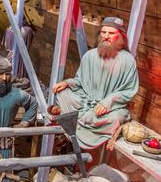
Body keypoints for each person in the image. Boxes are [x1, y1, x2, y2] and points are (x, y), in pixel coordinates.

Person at [50, 17, 139, 155]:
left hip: (107, 109)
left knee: (118, 117)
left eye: (111, 33)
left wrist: (108, 102)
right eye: (104, 32)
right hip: (86, 101)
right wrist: (67, 83)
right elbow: (80, 80)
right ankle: (76, 116)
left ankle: (74, 117)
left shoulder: (128, 61)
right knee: (62, 93)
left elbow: (128, 90)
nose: (106, 36)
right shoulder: (90, 56)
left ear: (120, 36)